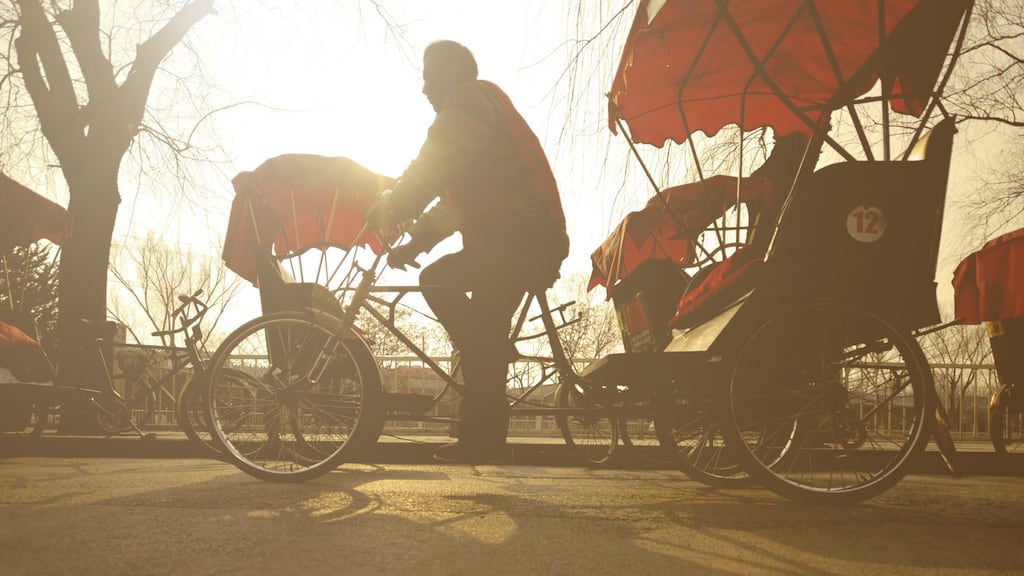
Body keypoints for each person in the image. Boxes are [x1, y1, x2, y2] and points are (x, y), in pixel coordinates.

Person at [366, 40, 569, 464]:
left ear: (448, 74)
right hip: (521, 240)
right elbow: (455, 205)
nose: (424, 89)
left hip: (520, 242)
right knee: (483, 330)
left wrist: (388, 208)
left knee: (450, 296)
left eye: (428, 76)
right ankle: (483, 440)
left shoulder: (467, 102)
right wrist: (415, 243)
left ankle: (482, 429)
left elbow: (430, 169)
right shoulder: (480, 111)